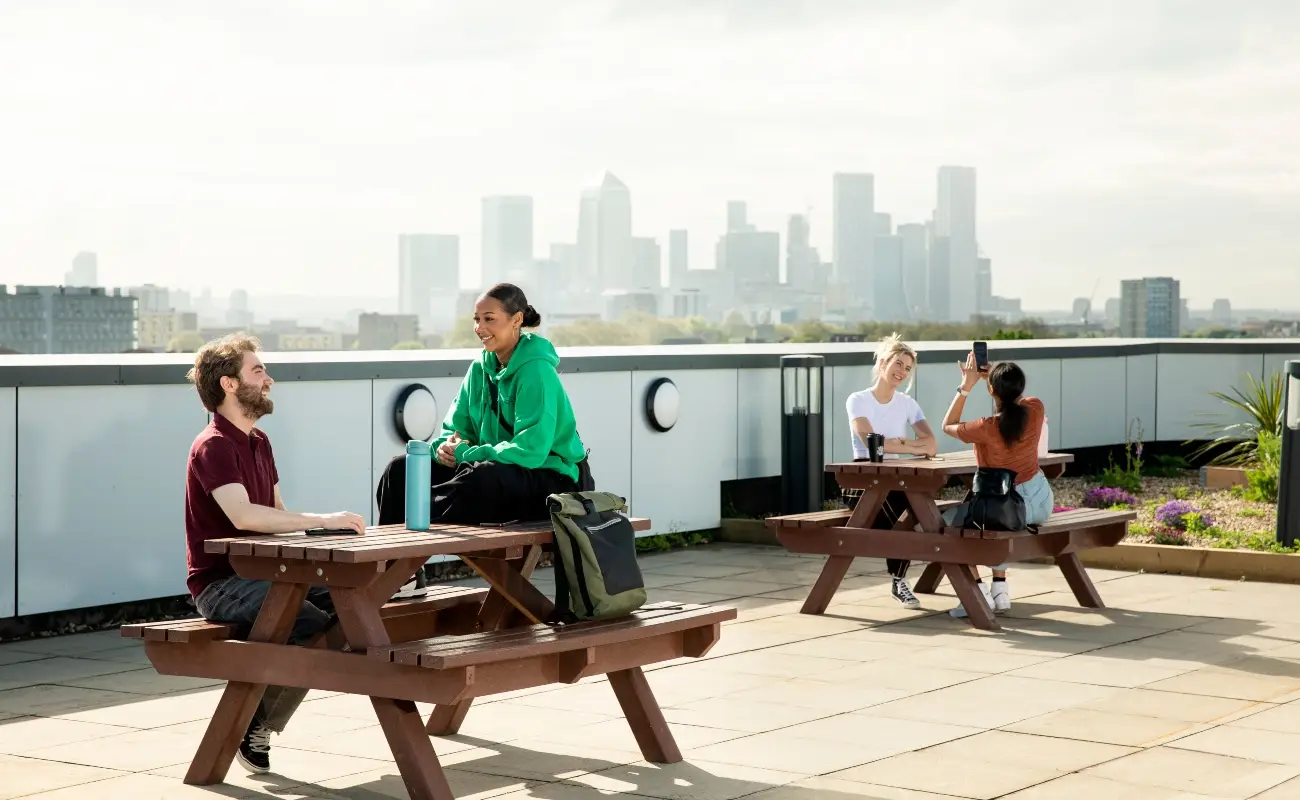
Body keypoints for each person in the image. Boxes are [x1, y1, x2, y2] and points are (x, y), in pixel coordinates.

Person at [184, 333, 367, 775]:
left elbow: (277, 513)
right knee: (306, 624)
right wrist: (324, 520)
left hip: (272, 574)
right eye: (258, 371)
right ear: (229, 384)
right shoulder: (213, 446)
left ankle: (255, 717)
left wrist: (327, 544)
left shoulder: (259, 441)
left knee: (355, 606)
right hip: (222, 584)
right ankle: (254, 724)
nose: (269, 379)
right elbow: (245, 516)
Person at [376, 283, 590, 527]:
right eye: (476, 319)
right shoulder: (479, 369)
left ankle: (416, 531)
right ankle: (391, 562)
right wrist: (444, 448)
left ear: (516, 320)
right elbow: (455, 430)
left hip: (551, 478)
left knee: (480, 478)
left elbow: (530, 451)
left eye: (489, 319)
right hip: (495, 470)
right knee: (401, 471)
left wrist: (467, 454)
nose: (480, 328)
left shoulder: (537, 371)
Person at [941, 354, 1052, 619]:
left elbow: (947, 426)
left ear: (992, 390)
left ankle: (978, 593)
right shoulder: (1035, 408)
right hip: (1040, 505)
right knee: (988, 521)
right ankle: (1000, 590)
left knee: (946, 527)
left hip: (1006, 510)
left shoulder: (985, 427)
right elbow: (1017, 404)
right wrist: (994, 381)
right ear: (1021, 387)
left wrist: (966, 386)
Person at [844, 333, 937, 610]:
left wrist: (900, 444)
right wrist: (910, 445)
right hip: (861, 481)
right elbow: (871, 443)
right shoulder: (858, 400)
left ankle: (899, 579)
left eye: (907, 369)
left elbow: (931, 445)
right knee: (906, 518)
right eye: (898, 364)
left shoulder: (908, 404)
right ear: (883, 362)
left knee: (916, 511)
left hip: (896, 478)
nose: (902, 372)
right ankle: (899, 579)